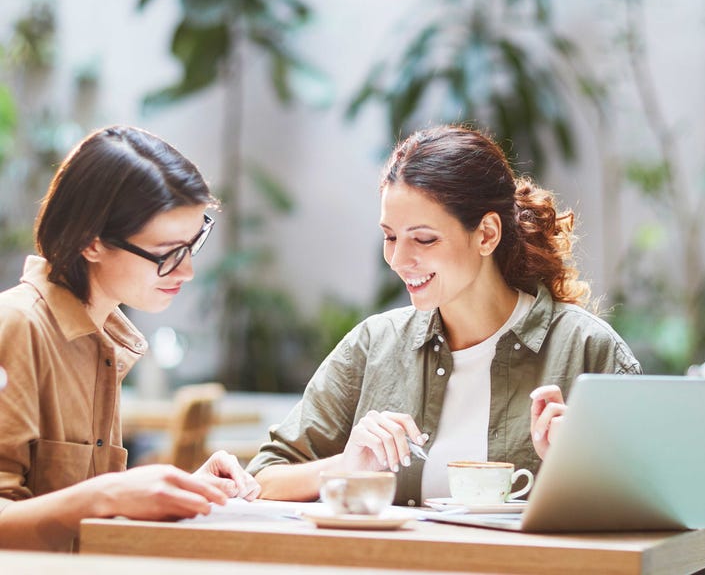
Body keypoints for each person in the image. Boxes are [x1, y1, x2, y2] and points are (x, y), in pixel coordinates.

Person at [246, 124, 641, 506]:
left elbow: (657, 515)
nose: (399, 260)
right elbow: (263, 478)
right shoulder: (374, 346)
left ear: (486, 234)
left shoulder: (588, 351)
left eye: (424, 238)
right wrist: (346, 466)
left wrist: (578, 471)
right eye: (390, 237)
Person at [0, 125, 259, 551]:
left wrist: (177, 488)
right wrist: (110, 494)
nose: (187, 271)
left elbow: (73, 513)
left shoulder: (104, 339)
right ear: (91, 243)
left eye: (193, 244)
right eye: (167, 253)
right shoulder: (18, 327)